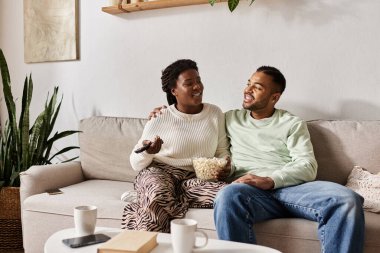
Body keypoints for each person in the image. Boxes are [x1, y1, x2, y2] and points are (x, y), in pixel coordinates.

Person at [213, 66, 365, 253]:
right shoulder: (230, 119)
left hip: (292, 189)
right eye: (248, 84)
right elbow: (196, 119)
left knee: (346, 199)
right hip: (251, 193)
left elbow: (307, 165)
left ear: (274, 97)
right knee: (227, 195)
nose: (247, 90)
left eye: (257, 87)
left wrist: (270, 180)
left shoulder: (291, 123)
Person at [121, 59, 231, 232]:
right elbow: (135, 163)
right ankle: (150, 199)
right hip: (160, 172)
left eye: (199, 81)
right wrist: (148, 152)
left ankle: (146, 196)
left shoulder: (215, 113)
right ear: (174, 91)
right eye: (189, 83)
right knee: (158, 196)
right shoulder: (161, 116)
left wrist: (225, 167)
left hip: (194, 179)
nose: (197, 87)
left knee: (230, 194)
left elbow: (222, 151)